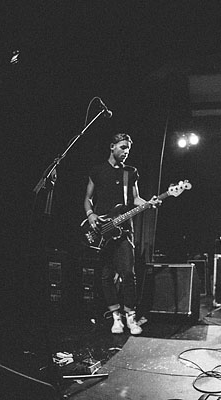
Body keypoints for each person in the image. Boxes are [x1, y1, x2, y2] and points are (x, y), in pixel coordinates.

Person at [84, 133, 155, 335]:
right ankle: (116, 317)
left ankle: (131, 317)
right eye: (123, 147)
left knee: (128, 274)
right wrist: (90, 215)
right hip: (102, 230)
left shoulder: (130, 172)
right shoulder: (98, 171)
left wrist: (149, 203)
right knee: (106, 276)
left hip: (124, 230)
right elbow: (88, 198)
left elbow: (135, 198)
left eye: (128, 149)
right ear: (112, 146)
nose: (126, 152)